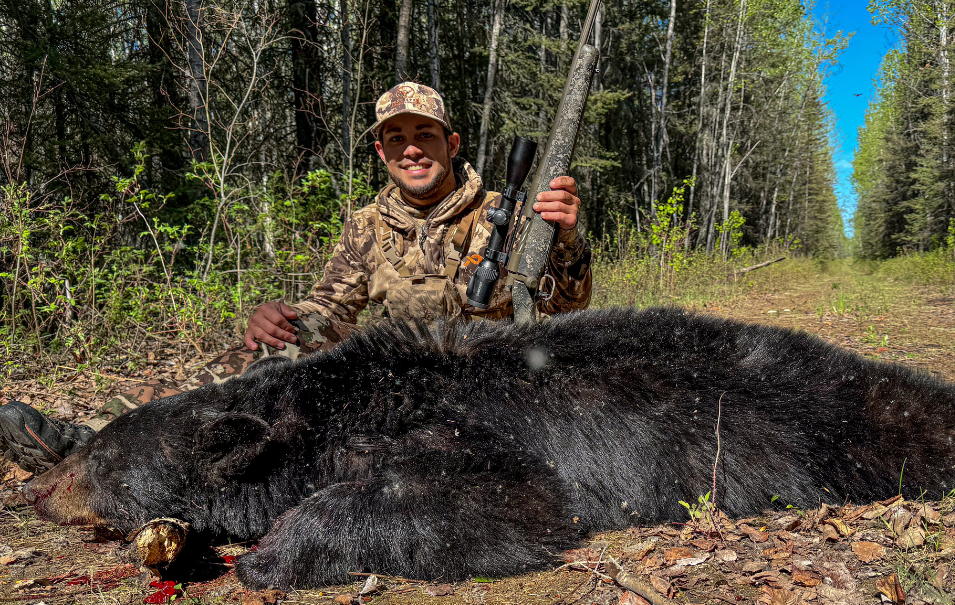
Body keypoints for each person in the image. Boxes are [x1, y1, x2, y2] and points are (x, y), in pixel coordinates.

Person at [1, 82, 592, 473]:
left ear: (452, 143)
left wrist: (564, 238)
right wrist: (286, 322)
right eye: (396, 140)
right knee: (265, 357)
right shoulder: (368, 225)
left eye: (425, 136)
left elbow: (564, 312)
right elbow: (329, 315)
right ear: (382, 154)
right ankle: (99, 437)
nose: (412, 151)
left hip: (489, 383)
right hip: (399, 380)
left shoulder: (508, 212)